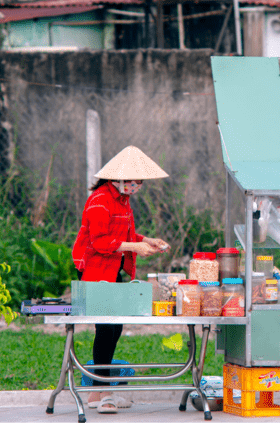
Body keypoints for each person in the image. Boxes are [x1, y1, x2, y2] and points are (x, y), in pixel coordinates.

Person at [72, 145, 170, 414]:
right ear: (119, 178)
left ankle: (97, 392)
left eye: (140, 181)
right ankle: (103, 392)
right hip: (94, 269)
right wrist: (134, 247)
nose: (138, 185)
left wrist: (147, 240)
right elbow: (100, 241)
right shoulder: (100, 200)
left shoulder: (122, 200)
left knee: (114, 327)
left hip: (111, 268)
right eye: (135, 181)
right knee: (106, 328)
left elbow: (124, 234)